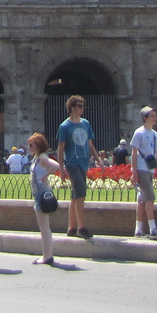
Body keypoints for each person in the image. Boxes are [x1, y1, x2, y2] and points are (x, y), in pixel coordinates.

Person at [54, 95, 98, 240]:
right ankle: (82, 227)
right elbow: (60, 149)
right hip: (72, 163)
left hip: (84, 163)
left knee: (75, 196)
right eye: (80, 106)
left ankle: (71, 227)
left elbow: (90, 145)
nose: (82, 108)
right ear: (72, 107)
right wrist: (61, 169)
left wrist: (99, 160)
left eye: (83, 106)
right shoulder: (64, 126)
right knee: (81, 194)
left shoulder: (86, 123)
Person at [129, 107, 157, 240]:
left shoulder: (155, 134)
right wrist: (134, 172)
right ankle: (153, 229)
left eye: (155, 115)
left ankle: (138, 230)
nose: (154, 118)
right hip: (141, 169)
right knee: (150, 197)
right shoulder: (139, 133)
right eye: (151, 115)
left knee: (142, 200)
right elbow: (133, 153)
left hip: (149, 169)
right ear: (145, 118)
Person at [26, 132, 62, 266]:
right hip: (38, 193)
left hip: (42, 192)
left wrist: (45, 176)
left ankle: (47, 255)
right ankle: (46, 254)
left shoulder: (42, 157)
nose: (29, 147)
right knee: (43, 226)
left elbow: (56, 165)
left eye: (32, 144)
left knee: (44, 226)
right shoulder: (37, 158)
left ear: (39, 145)